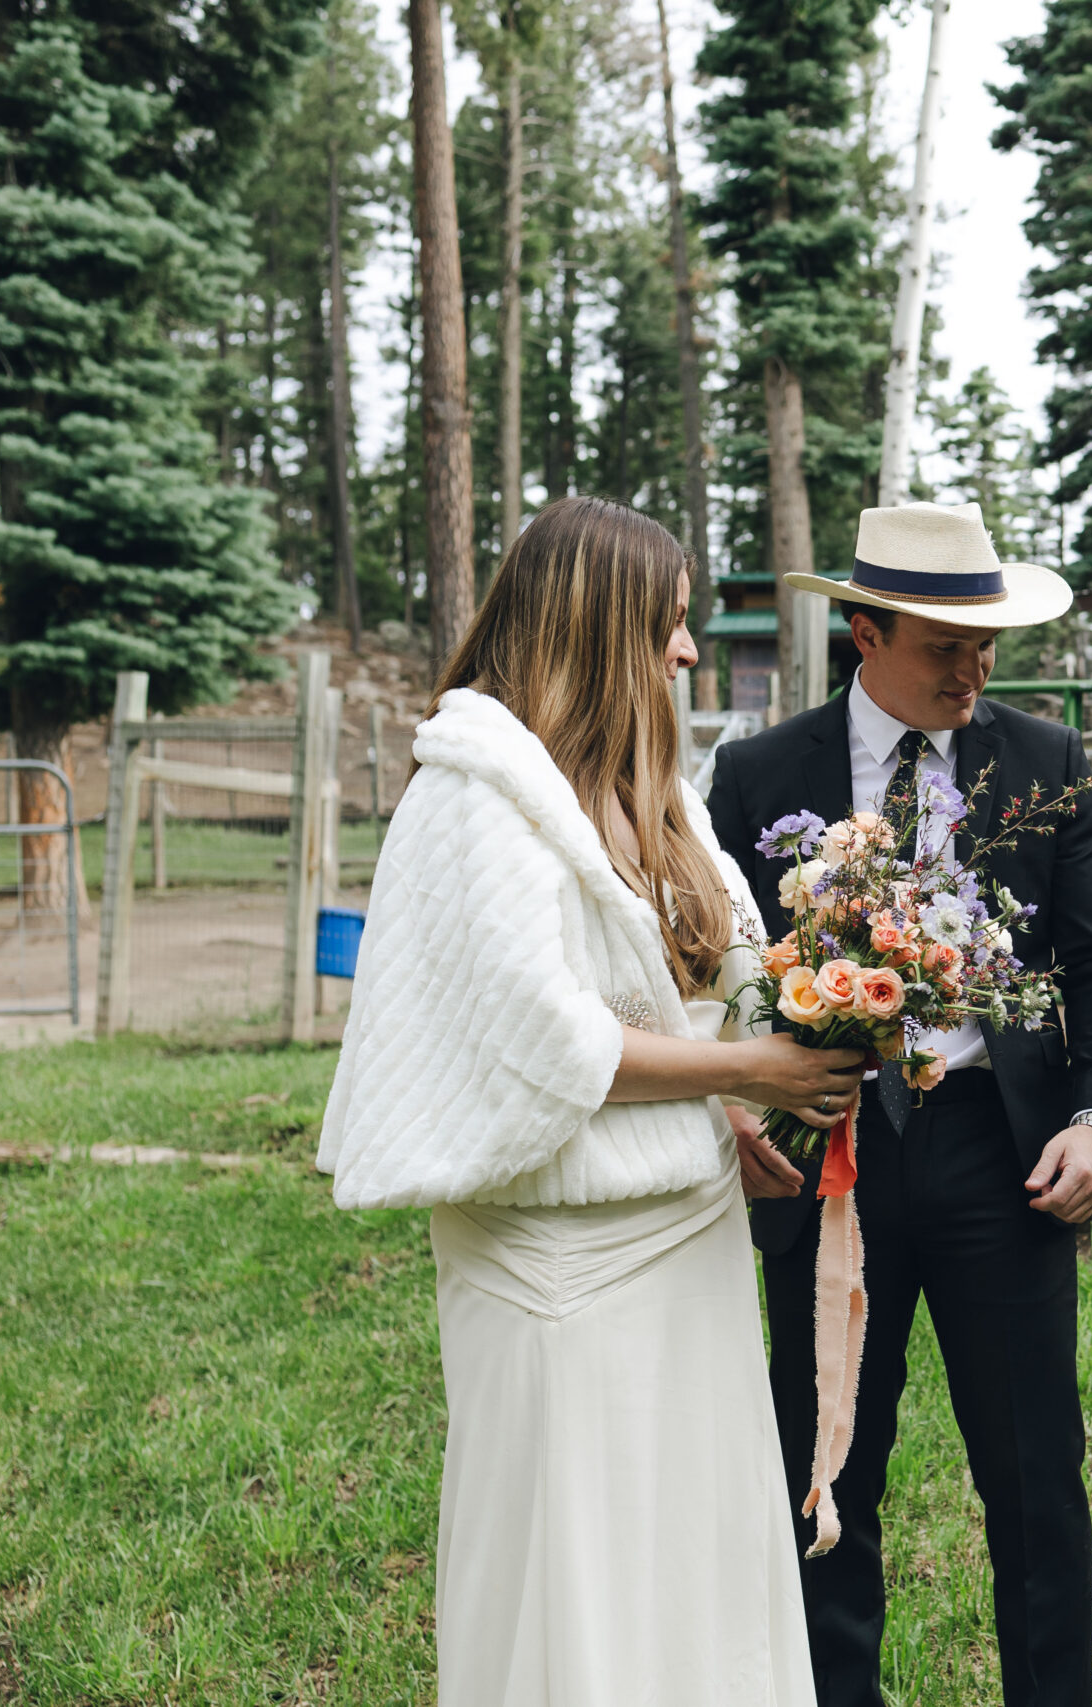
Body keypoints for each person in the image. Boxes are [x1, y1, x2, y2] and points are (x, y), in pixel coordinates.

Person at [319, 495, 868, 1707]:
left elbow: (703, 976)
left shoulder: (648, 792)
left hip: (686, 1241)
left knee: (696, 1563)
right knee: (581, 1567)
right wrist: (748, 1072)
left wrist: (749, 1078)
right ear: (598, 622)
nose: (685, 650)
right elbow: (544, 1030)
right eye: (669, 624)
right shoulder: (473, 796)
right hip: (560, 1262)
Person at [708, 501, 1092, 1707]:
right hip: (819, 1157)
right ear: (864, 632)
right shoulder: (754, 775)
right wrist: (734, 1108)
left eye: (985, 641)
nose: (974, 666)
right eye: (944, 642)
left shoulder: (1046, 764)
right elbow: (712, 972)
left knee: (1036, 1473)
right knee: (825, 1469)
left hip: (1002, 1159)